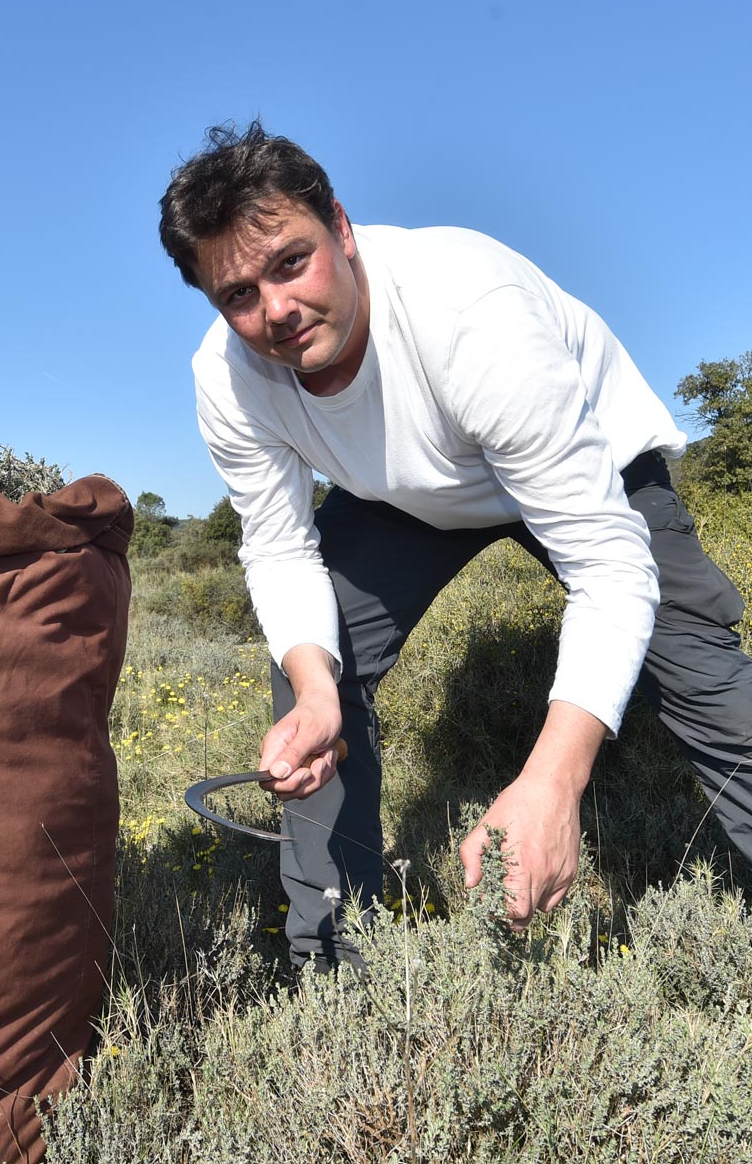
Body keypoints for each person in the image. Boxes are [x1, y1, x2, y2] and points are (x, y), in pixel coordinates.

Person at [159, 121, 752, 970]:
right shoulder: (228, 378)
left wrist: (552, 782)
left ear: (343, 226)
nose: (276, 311)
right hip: (404, 496)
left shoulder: (467, 310)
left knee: (708, 687)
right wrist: (315, 689)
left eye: (292, 261)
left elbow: (609, 565)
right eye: (239, 295)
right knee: (312, 676)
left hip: (591, 473)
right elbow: (280, 548)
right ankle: (332, 963)